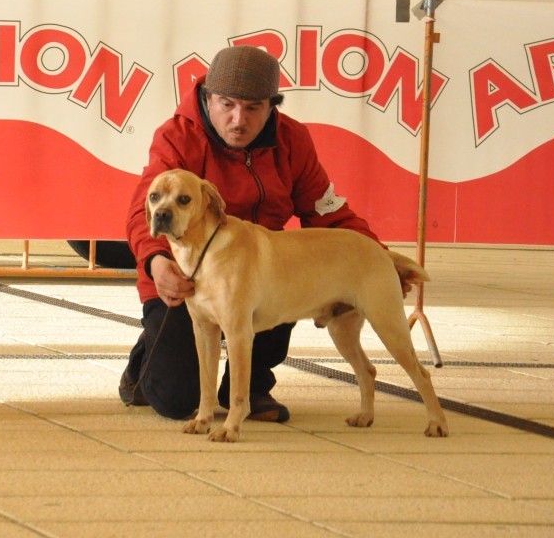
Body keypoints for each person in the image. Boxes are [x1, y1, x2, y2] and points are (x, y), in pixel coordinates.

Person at [120, 44, 379, 423]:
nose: (238, 120)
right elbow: (143, 211)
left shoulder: (293, 141)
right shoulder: (177, 136)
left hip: (258, 273)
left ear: (273, 106)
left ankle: (250, 386)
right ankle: (143, 366)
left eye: (253, 108)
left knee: (292, 271)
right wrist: (155, 260)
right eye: (227, 105)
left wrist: (379, 261)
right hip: (184, 281)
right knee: (176, 400)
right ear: (208, 98)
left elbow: (329, 212)